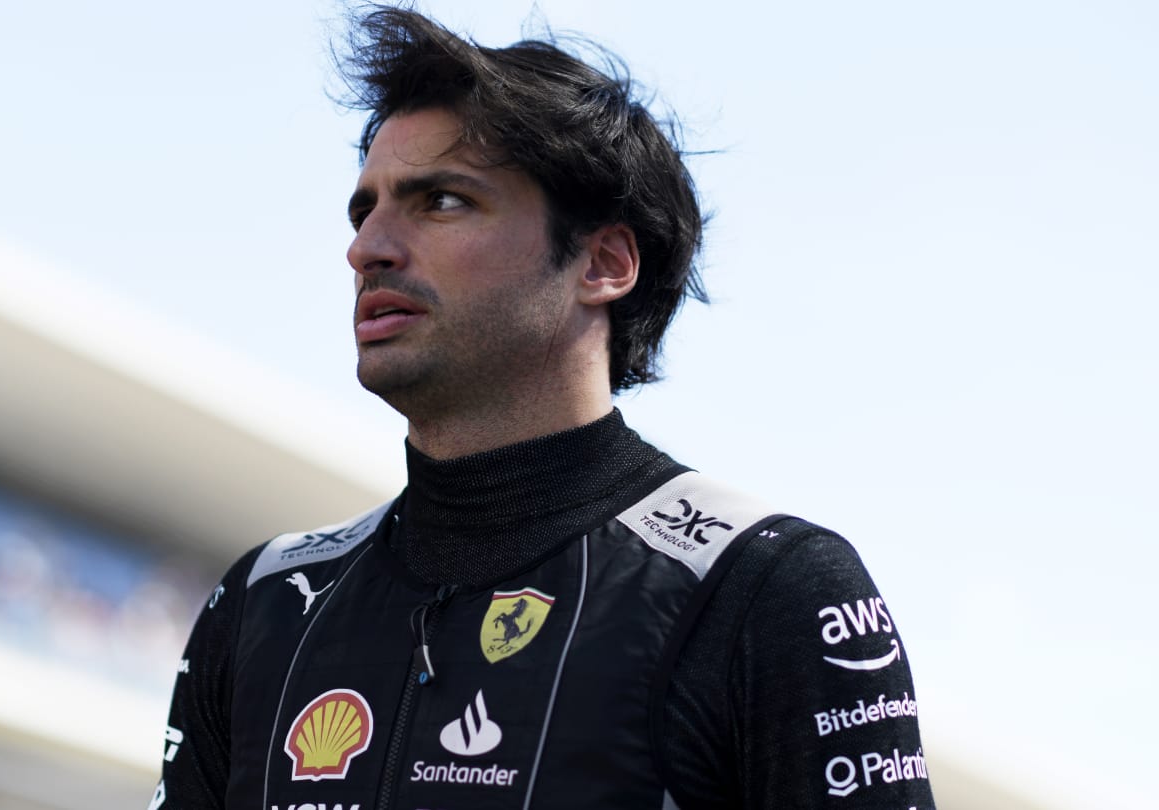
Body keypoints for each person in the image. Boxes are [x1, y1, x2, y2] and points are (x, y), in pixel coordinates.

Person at [153, 7, 932, 809]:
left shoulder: (761, 587)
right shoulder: (265, 603)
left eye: (442, 201)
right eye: (365, 210)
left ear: (603, 261)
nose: (367, 248)